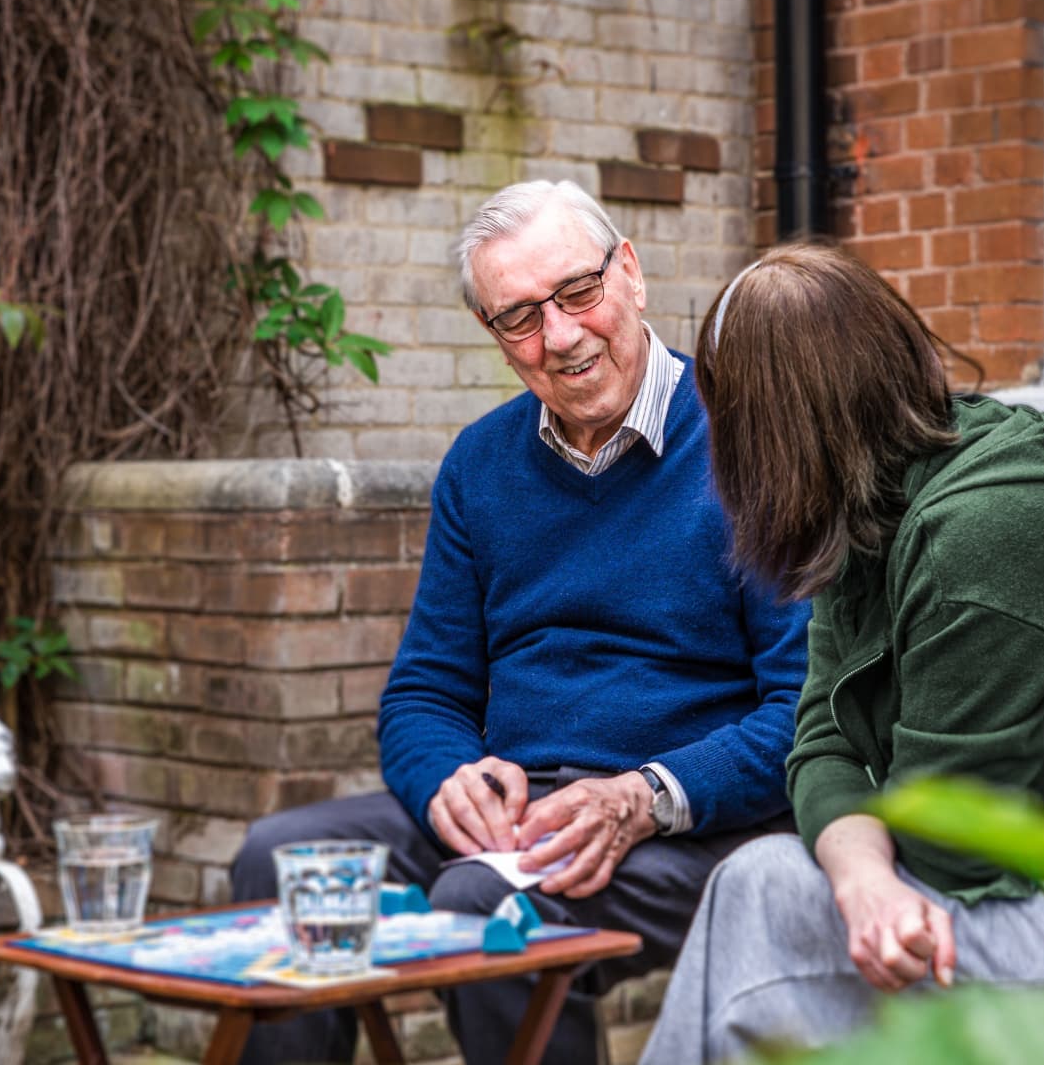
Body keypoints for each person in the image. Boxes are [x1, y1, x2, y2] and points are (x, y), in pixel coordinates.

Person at [230, 180, 811, 1065]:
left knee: (484, 909)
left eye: (579, 293)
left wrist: (643, 796)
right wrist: (443, 781)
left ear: (631, 273)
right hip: (516, 818)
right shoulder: (480, 464)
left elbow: (803, 708)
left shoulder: (749, 441)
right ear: (495, 338)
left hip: (690, 822)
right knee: (282, 861)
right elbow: (425, 691)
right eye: (521, 317)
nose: (563, 337)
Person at [640, 242, 1044, 1065]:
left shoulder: (982, 538)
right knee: (771, 882)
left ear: (763, 433)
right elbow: (820, 743)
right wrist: (862, 878)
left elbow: (954, 841)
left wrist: (865, 868)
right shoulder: (879, 502)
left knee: (767, 894)